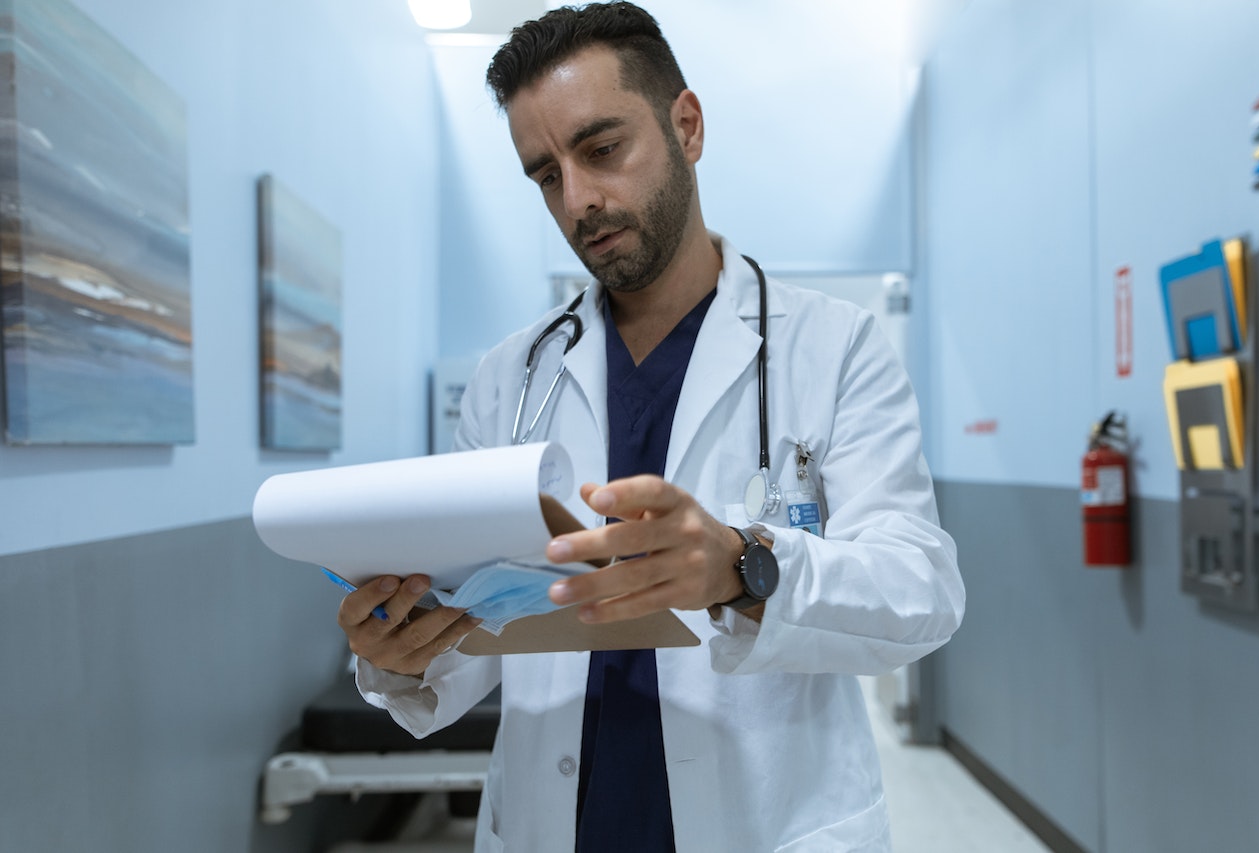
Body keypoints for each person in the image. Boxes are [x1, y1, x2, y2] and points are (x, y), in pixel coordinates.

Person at [337, 3, 964, 850]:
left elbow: (920, 592)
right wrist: (400, 652)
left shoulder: (836, 347)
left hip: (769, 822)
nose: (579, 199)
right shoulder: (512, 377)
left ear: (687, 127)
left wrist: (745, 566)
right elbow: (480, 634)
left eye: (601, 150)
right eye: (545, 175)